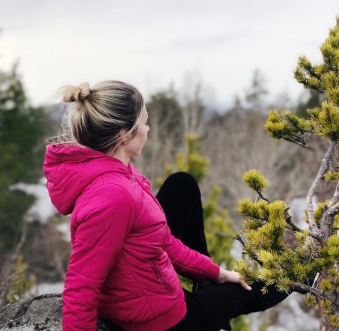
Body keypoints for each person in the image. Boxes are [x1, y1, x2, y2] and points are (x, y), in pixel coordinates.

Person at [43, 80, 289, 331]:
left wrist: (215, 273)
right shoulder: (113, 198)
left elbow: (163, 240)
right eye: (143, 122)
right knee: (245, 292)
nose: (147, 129)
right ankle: (302, 276)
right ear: (123, 134)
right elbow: (81, 288)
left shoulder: (121, 173)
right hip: (160, 322)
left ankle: (208, 288)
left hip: (152, 288)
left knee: (181, 184)